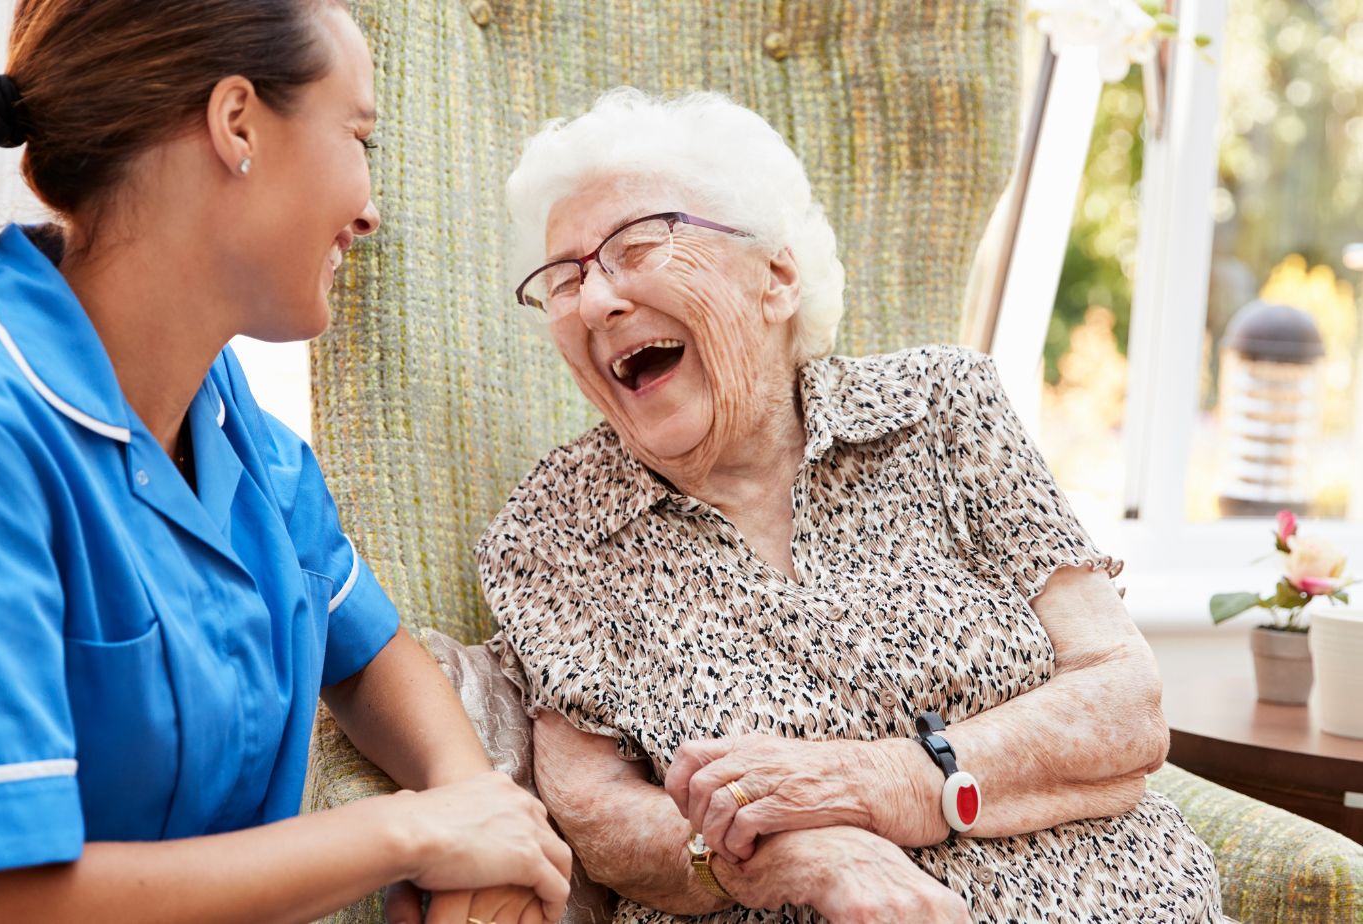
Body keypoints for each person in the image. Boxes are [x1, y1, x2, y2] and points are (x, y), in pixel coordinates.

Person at [0, 2, 569, 922]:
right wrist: (414, 835)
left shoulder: (220, 410)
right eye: (358, 136)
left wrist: (477, 821)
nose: (370, 208)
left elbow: (366, 655)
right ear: (236, 123)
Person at [480, 89, 1224, 923]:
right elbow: (596, 814)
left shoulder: (942, 405)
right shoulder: (553, 528)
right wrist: (799, 859)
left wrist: (890, 783)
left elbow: (1125, 702)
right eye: (564, 279)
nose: (593, 303)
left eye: (637, 246)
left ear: (777, 276)